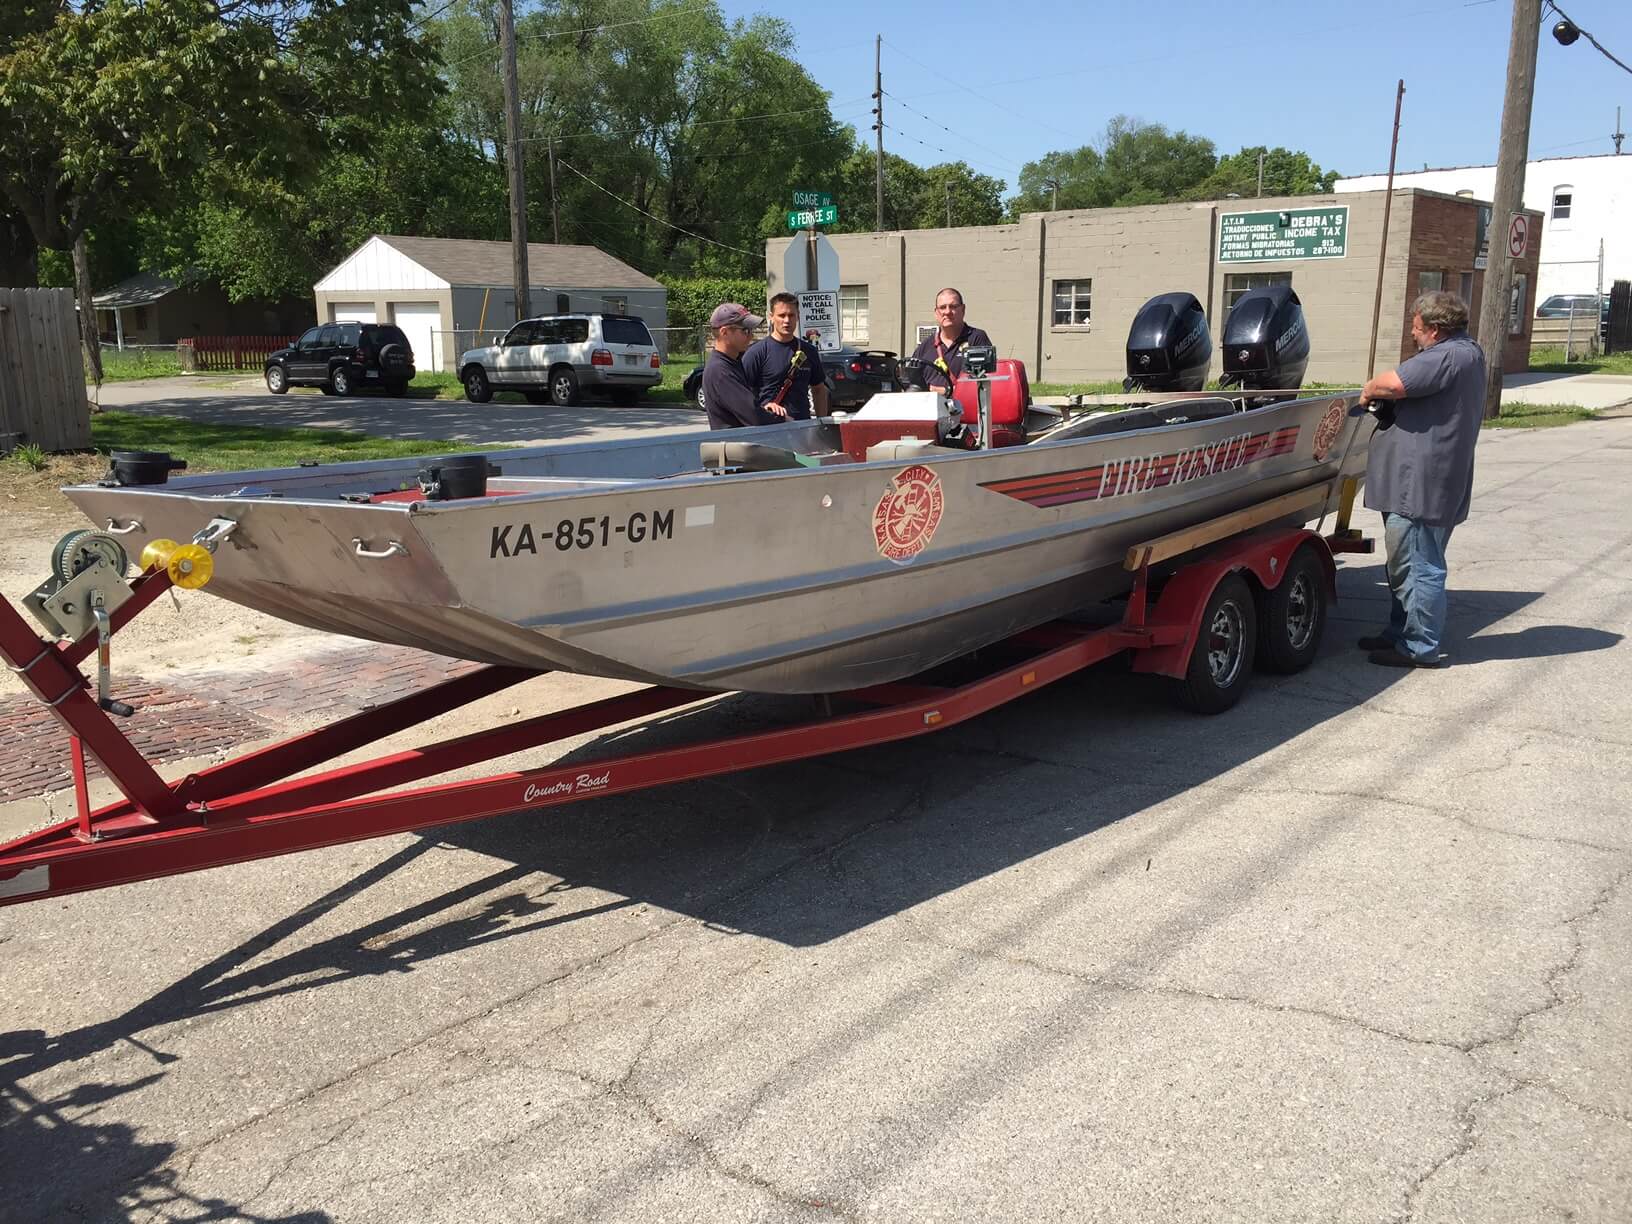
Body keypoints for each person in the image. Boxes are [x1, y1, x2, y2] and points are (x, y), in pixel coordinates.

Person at [1357, 290, 1487, 669]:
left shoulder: (1446, 355)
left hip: (1421, 486)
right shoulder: (1468, 352)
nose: (1413, 334)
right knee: (1406, 564)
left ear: (1434, 329)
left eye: (1416, 328)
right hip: (1428, 481)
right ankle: (1400, 632)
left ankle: (1419, 646)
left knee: (1417, 566)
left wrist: (1368, 390)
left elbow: (1394, 384)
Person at [743, 293, 829, 420]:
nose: (787, 320)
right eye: (782, 315)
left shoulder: (809, 351)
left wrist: (822, 424)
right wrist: (763, 409)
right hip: (771, 429)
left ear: (798, 316)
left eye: (791, 315)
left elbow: (819, 390)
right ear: (771, 317)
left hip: (801, 428)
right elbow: (742, 395)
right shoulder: (756, 352)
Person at [701, 303, 784, 431]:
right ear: (724, 332)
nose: (751, 336)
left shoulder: (733, 362)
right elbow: (754, 418)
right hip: (733, 448)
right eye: (745, 330)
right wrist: (784, 420)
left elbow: (747, 407)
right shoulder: (720, 371)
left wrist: (765, 409)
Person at [909, 287, 995, 391]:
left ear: (963, 310)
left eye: (953, 306)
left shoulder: (976, 338)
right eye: (942, 307)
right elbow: (911, 386)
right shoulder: (925, 346)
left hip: (964, 407)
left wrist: (942, 391)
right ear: (936, 313)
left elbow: (984, 386)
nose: (947, 311)